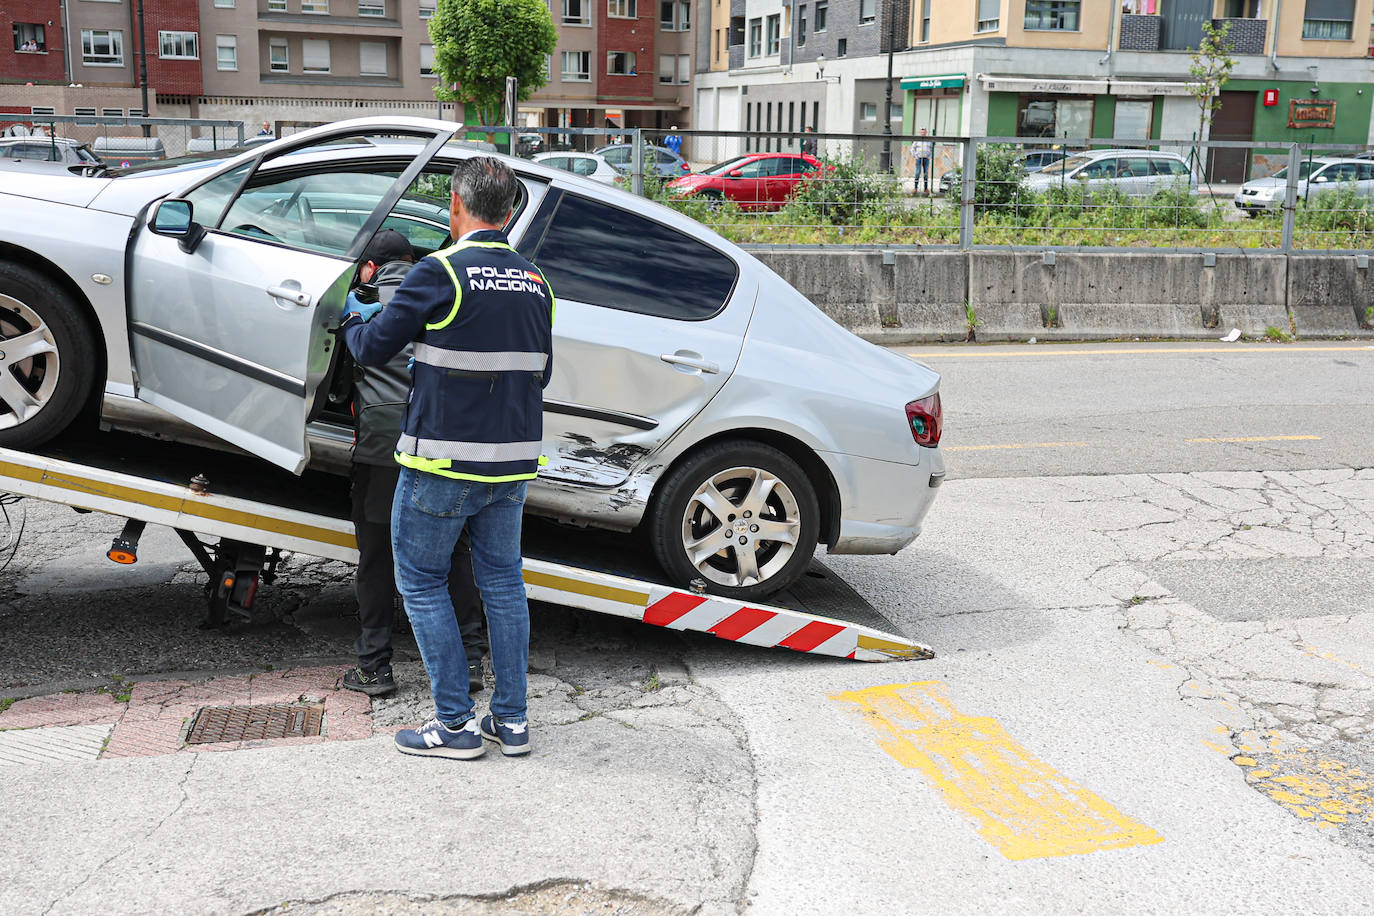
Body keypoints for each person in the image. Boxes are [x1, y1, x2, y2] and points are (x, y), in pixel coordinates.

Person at [342, 157, 554, 761]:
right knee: (504, 587)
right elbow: (539, 373)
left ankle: (454, 725)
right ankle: (510, 723)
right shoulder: (536, 281)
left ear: (456, 208)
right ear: (509, 213)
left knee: (421, 581)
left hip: (440, 466)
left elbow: (378, 347)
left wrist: (355, 320)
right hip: (511, 468)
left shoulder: (439, 273)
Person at [340, 228, 488, 701]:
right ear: (410, 259)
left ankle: (374, 667)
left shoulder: (362, 299)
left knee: (378, 558)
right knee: (454, 552)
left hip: (383, 445)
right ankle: (469, 661)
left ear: (369, 268)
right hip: (441, 440)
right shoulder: (442, 289)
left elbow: (342, 384)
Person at [912, 128, 933, 195]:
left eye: (924, 132)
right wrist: (915, 156)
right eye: (922, 132)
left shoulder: (928, 140)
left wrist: (929, 157)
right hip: (919, 158)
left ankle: (926, 188)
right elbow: (912, 148)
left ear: (926, 133)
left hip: (926, 159)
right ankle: (915, 188)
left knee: (926, 173)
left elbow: (931, 149)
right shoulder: (917, 140)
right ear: (920, 133)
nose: (923, 133)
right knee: (917, 173)